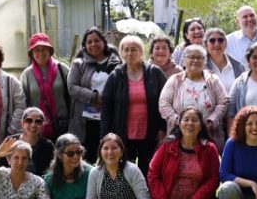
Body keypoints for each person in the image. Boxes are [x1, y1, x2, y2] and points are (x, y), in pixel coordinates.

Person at [146, 107, 222, 199]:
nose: (190, 123)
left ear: (201, 126)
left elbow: (214, 178)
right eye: (186, 120)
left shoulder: (209, 148)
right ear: (179, 124)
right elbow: (153, 174)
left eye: (194, 120)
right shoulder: (166, 146)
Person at [101, 36, 168, 176]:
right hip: (123, 133)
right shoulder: (115, 76)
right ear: (121, 53)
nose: (130, 53)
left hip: (150, 132)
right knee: (125, 169)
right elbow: (106, 108)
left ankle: (147, 196)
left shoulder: (154, 73)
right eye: (126, 50)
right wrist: (106, 135)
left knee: (148, 168)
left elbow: (165, 102)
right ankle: (127, 197)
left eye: (134, 49)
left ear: (142, 52)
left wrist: (162, 127)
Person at [159, 44, 230, 150]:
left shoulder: (213, 80)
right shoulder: (175, 80)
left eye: (199, 57)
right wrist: (180, 122)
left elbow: (223, 102)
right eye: (191, 57)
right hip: (179, 133)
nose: (195, 60)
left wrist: (211, 121)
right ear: (184, 60)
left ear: (205, 61)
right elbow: (164, 103)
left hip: (209, 133)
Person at [68, 27, 122, 163]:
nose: (93, 44)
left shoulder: (117, 63)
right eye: (89, 42)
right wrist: (94, 97)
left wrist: (106, 99)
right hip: (85, 120)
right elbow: (72, 87)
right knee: (86, 157)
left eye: (96, 40)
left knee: (110, 156)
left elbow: (122, 87)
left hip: (110, 116)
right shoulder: (78, 63)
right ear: (84, 45)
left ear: (104, 42)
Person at [20, 33, 71, 139]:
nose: (41, 53)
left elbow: (72, 97)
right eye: (37, 50)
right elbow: (23, 103)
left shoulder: (62, 69)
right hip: (36, 127)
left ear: (50, 51)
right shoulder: (27, 74)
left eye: (44, 49)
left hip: (62, 125)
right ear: (32, 53)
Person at [4, 107, 56, 175]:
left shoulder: (48, 146)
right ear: (22, 123)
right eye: (29, 121)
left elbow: (50, 172)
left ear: (42, 126)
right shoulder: (10, 142)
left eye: (38, 122)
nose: (33, 125)